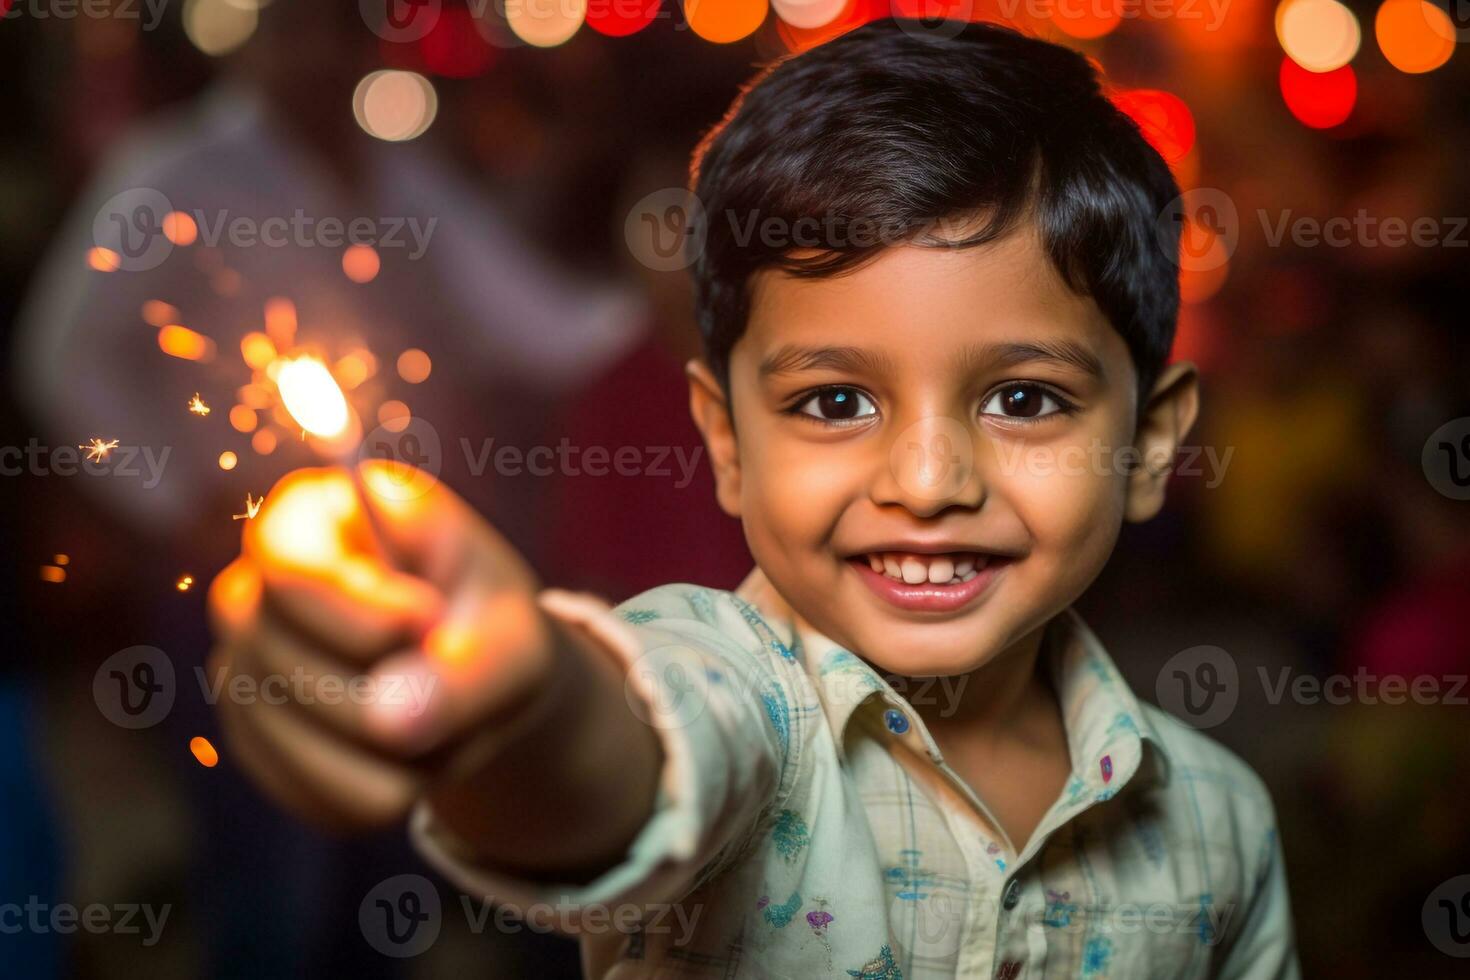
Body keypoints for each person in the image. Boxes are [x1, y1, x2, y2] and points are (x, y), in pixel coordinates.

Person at [207, 20, 1299, 979]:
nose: (926, 482)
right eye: (834, 401)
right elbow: (621, 754)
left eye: (1022, 397)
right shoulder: (736, 695)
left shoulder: (1221, 821)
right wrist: (507, 705)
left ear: (1150, 443)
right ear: (726, 440)